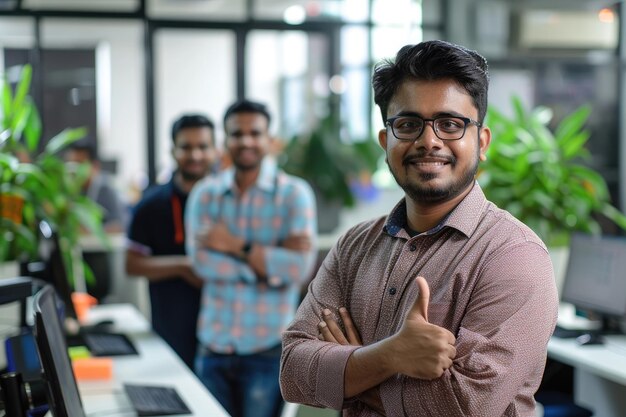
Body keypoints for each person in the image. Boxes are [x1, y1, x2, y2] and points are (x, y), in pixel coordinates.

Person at [279, 40, 559, 417]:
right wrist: (391, 355)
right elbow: (293, 372)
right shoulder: (354, 246)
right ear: (386, 141)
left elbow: (464, 406)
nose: (429, 141)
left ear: (482, 141)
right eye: (409, 125)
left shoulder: (515, 257)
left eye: (450, 124)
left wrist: (349, 371)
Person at [185, 99, 318, 417]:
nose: (245, 141)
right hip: (213, 345)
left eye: (255, 133)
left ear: (269, 140)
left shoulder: (294, 195)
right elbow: (201, 262)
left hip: (266, 349)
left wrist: (234, 245)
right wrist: (267, 264)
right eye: (237, 134)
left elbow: (298, 269)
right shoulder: (205, 194)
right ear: (225, 141)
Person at [126, 113, 219, 369]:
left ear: (215, 150)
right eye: (186, 147)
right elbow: (132, 265)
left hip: (227, 336)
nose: (195, 155)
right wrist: (183, 266)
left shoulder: (233, 203)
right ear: (173, 151)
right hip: (171, 333)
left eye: (203, 147)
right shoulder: (150, 206)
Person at [65, 139, 128, 233]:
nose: (74, 170)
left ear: (95, 166)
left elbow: (119, 225)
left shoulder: (105, 188)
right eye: (71, 164)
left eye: (80, 163)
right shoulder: (69, 191)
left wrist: (90, 231)